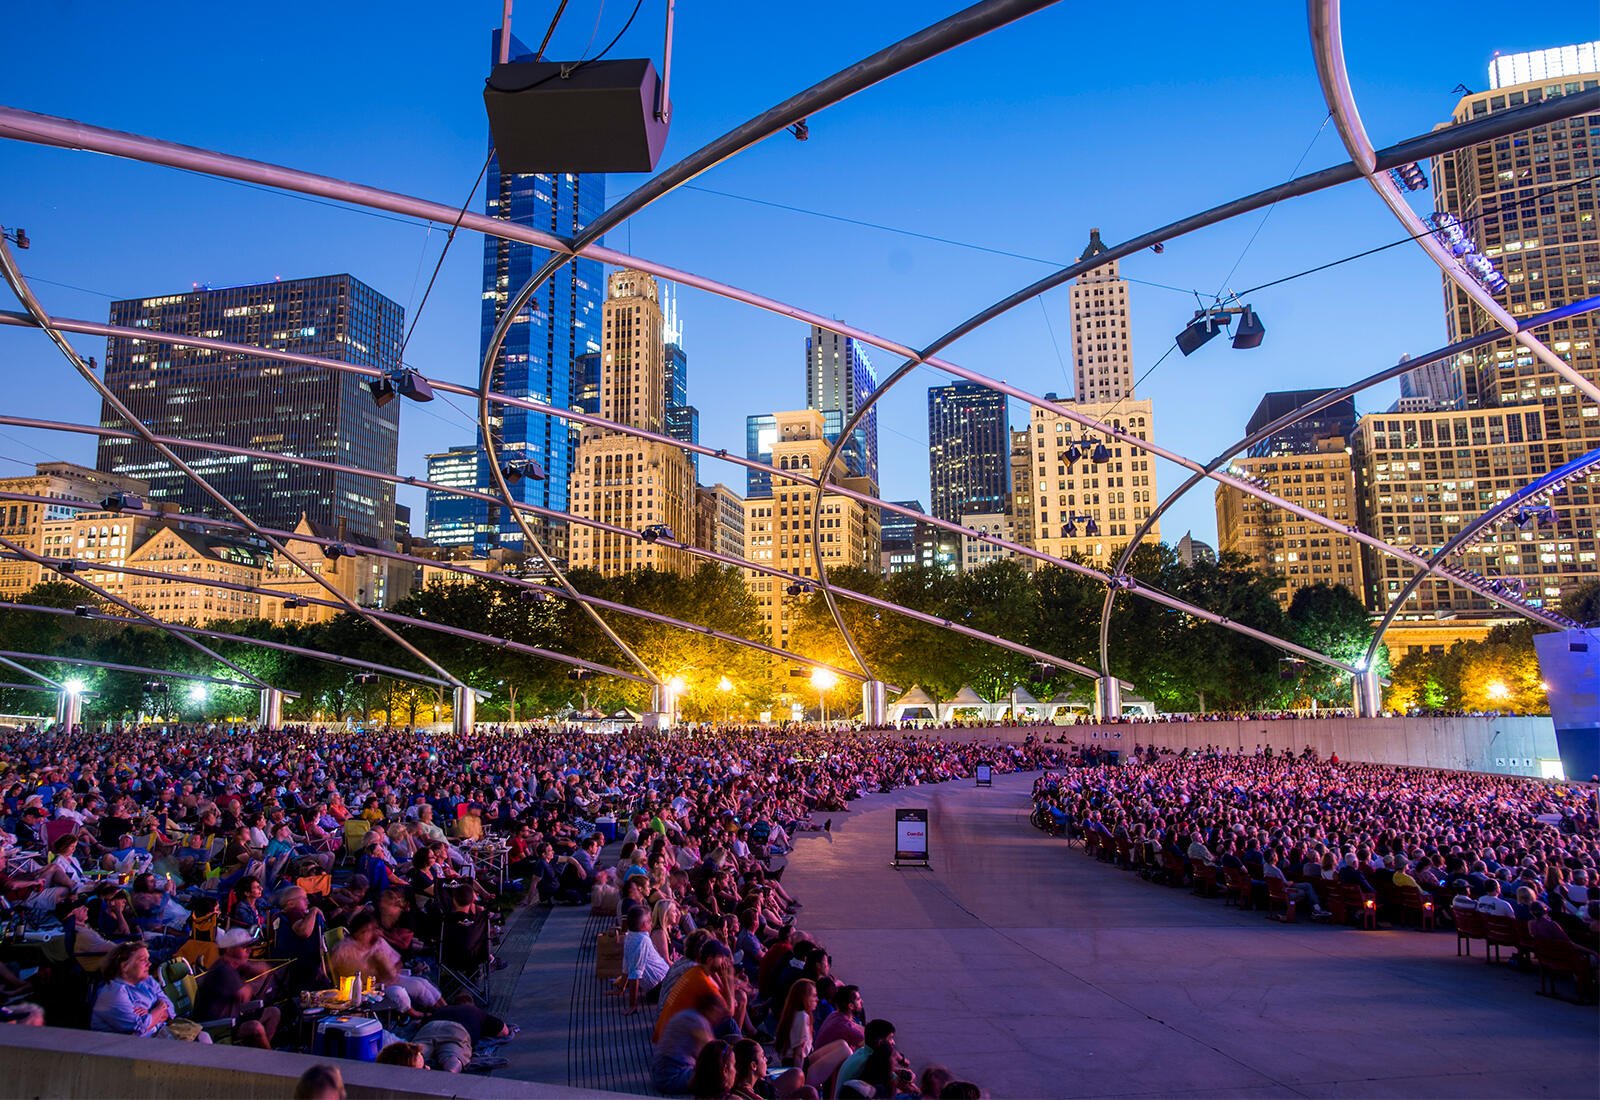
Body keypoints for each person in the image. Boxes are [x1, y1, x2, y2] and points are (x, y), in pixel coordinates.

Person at [90, 942, 202, 1041]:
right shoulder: (114, 993)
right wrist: (159, 1008)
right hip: (126, 1049)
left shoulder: (147, 980)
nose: (149, 964)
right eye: (143, 960)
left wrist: (151, 1014)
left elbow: (171, 1009)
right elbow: (139, 1028)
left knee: (203, 1037)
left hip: (155, 1035)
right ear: (124, 966)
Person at [192, 927, 279, 1048]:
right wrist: (250, 978)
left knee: (273, 1012)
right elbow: (245, 996)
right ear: (229, 950)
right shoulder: (223, 970)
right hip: (219, 1026)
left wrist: (246, 967)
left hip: (233, 1019)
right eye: (244, 948)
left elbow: (263, 970)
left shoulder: (232, 966)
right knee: (256, 1027)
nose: (249, 951)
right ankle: (267, 1060)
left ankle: (256, 1053)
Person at [652, 990, 720, 1095]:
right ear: (712, 1009)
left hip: (661, 1071)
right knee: (719, 1078)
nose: (718, 1016)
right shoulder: (698, 1022)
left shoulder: (687, 1014)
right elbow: (712, 1054)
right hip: (671, 1077)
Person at [621, 905, 671, 1014]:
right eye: (650, 922)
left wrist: (622, 987)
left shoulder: (629, 936)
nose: (652, 924)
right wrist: (633, 1005)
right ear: (644, 925)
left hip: (656, 988)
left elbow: (626, 964)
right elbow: (635, 973)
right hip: (662, 986)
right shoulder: (642, 940)